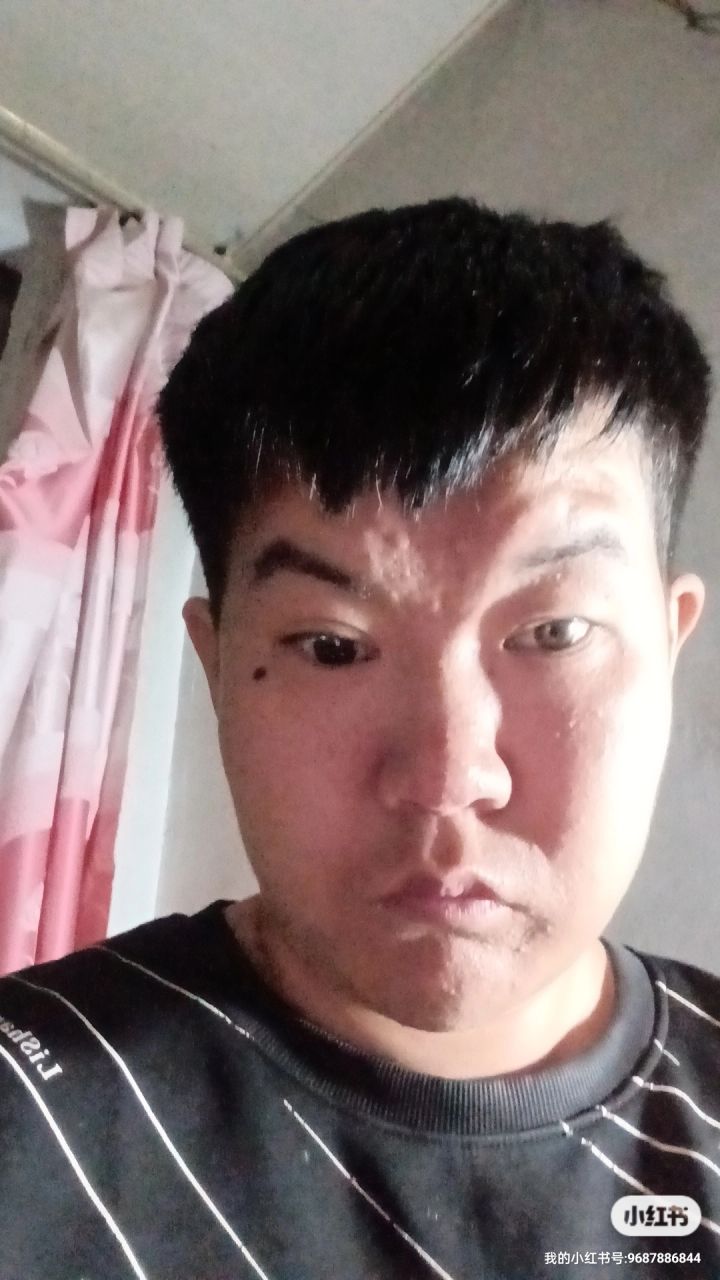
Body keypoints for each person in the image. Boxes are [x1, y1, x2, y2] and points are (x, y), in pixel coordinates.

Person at [0, 196, 716, 1280]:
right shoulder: (33, 1122)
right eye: (332, 646)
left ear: (667, 646)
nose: (447, 776)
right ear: (216, 664)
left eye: (555, 631)